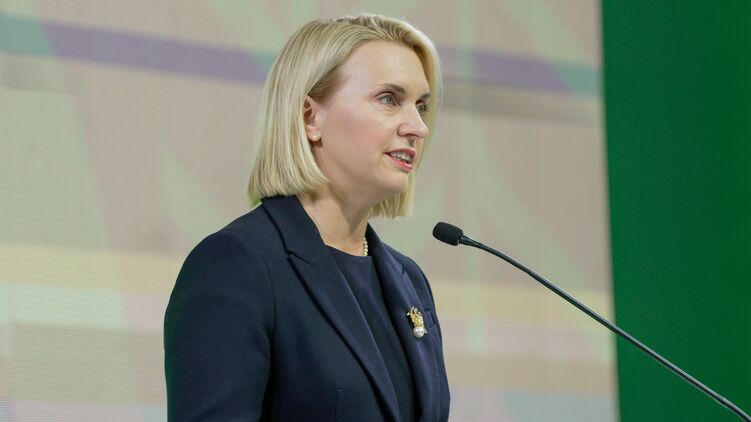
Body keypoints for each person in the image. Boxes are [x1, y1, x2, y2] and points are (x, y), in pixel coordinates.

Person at [164, 13, 450, 422]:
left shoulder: (409, 281)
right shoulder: (237, 266)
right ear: (309, 118)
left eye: (421, 106)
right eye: (389, 99)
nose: (418, 127)